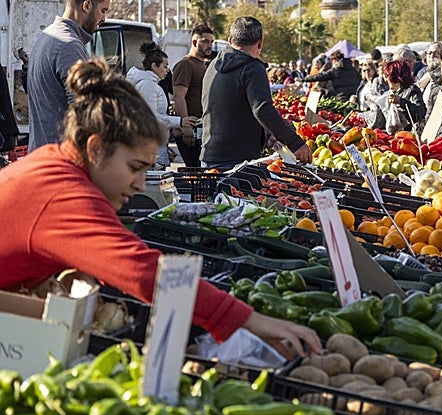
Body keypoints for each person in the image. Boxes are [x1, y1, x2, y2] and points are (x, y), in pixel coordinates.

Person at [0, 58, 321, 357]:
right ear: (96, 148)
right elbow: (142, 271)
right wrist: (250, 320)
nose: (140, 183)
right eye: (135, 167)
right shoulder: (64, 193)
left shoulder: (56, 162)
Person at [200, 17, 311, 169]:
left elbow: (231, 107)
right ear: (260, 43)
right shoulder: (252, 68)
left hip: (209, 155)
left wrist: (263, 136)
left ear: (230, 39)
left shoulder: (213, 65)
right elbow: (262, 109)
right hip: (238, 160)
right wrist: (295, 143)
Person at [27, 0, 113, 151]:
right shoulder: (69, 46)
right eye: (103, 10)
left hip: (42, 156)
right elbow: (85, 114)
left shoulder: (47, 36)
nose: (103, 19)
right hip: (61, 161)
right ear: (87, 5)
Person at [127, 42, 197, 168]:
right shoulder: (148, 85)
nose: (167, 71)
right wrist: (180, 121)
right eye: (165, 66)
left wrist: (174, 125)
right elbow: (152, 118)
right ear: (154, 66)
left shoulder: (150, 84)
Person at [172, 24, 214, 168]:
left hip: (202, 129)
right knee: (195, 172)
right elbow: (178, 97)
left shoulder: (202, 66)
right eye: (205, 41)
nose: (210, 45)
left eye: (212, 42)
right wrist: (186, 127)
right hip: (192, 132)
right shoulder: (185, 65)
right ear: (195, 42)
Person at [379, 59, 426, 133]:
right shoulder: (393, 92)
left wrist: (401, 102)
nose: (385, 80)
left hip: (410, 135)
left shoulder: (412, 90)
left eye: (387, 76)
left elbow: (420, 113)